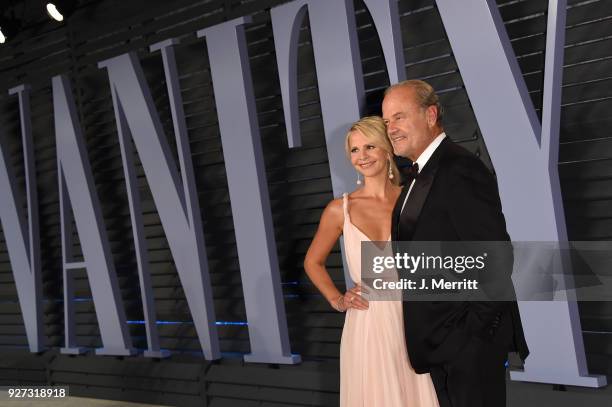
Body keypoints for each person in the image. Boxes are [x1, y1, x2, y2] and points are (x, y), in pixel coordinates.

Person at [382, 79, 529, 407]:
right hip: (438, 343)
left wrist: (472, 337)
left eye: (399, 117)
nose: (390, 128)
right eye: (387, 120)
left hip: (466, 347)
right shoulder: (417, 177)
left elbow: (496, 257)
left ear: (430, 115)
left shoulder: (459, 168)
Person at [304, 116, 440, 407]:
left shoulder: (414, 199)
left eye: (370, 147)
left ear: (387, 149)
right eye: (354, 150)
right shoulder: (340, 210)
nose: (362, 157)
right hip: (368, 323)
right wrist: (337, 299)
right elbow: (312, 262)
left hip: (414, 318)